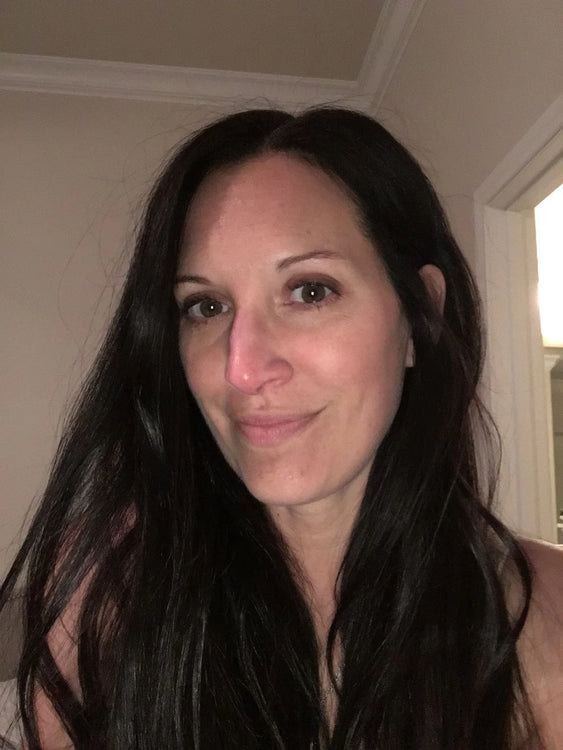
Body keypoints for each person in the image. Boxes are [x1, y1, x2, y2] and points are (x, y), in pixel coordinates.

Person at [1, 107, 562, 750]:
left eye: (310, 291)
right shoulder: (101, 587)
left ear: (419, 316)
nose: (240, 369)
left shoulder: (546, 612)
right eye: (206, 306)